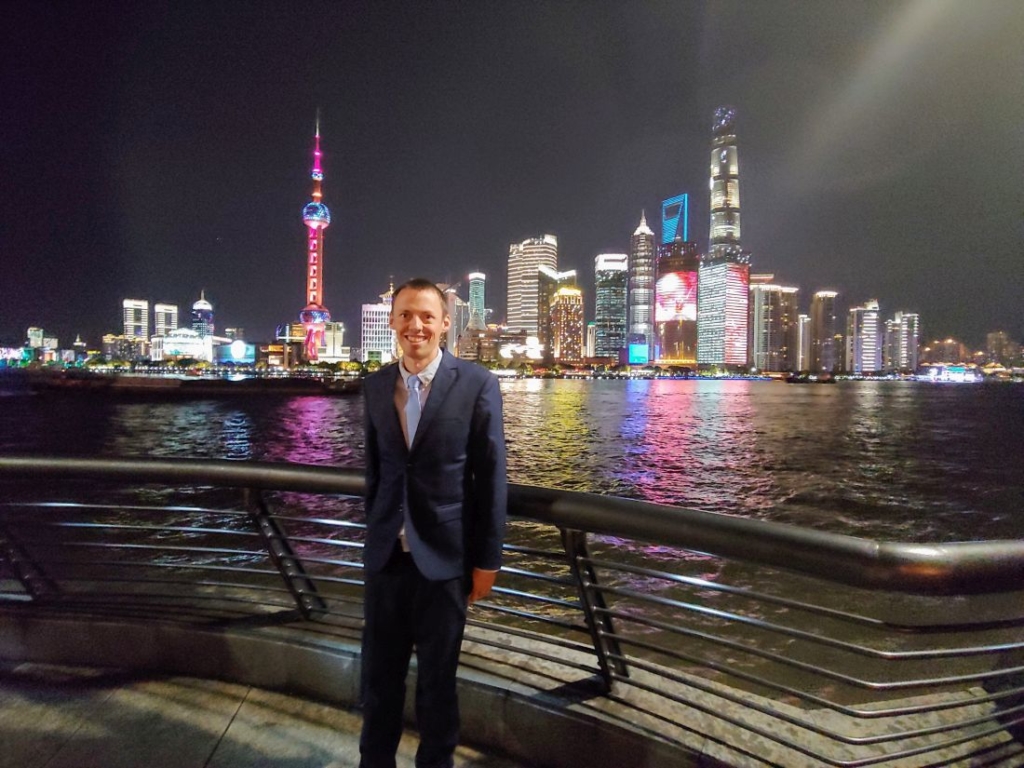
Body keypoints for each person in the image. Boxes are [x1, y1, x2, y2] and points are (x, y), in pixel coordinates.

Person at [359, 277, 508, 768]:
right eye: (405, 315)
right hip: (386, 562)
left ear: (447, 323)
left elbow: (490, 477)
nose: (415, 325)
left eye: (426, 316)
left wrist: (486, 561)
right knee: (378, 685)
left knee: (437, 689)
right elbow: (376, 471)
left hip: (445, 563)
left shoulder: (477, 384)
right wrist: (375, 536)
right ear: (392, 322)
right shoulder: (377, 386)